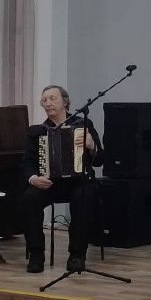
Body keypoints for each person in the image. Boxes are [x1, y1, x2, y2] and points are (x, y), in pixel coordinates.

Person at [21, 85, 103, 273]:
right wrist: (33, 178)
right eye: (44, 100)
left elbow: (100, 160)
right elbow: (27, 163)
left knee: (84, 195)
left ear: (65, 102)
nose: (48, 103)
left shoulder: (83, 125)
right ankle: (36, 254)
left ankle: (77, 255)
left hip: (78, 182)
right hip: (49, 184)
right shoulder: (37, 132)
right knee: (29, 198)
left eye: (52, 98)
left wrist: (92, 146)